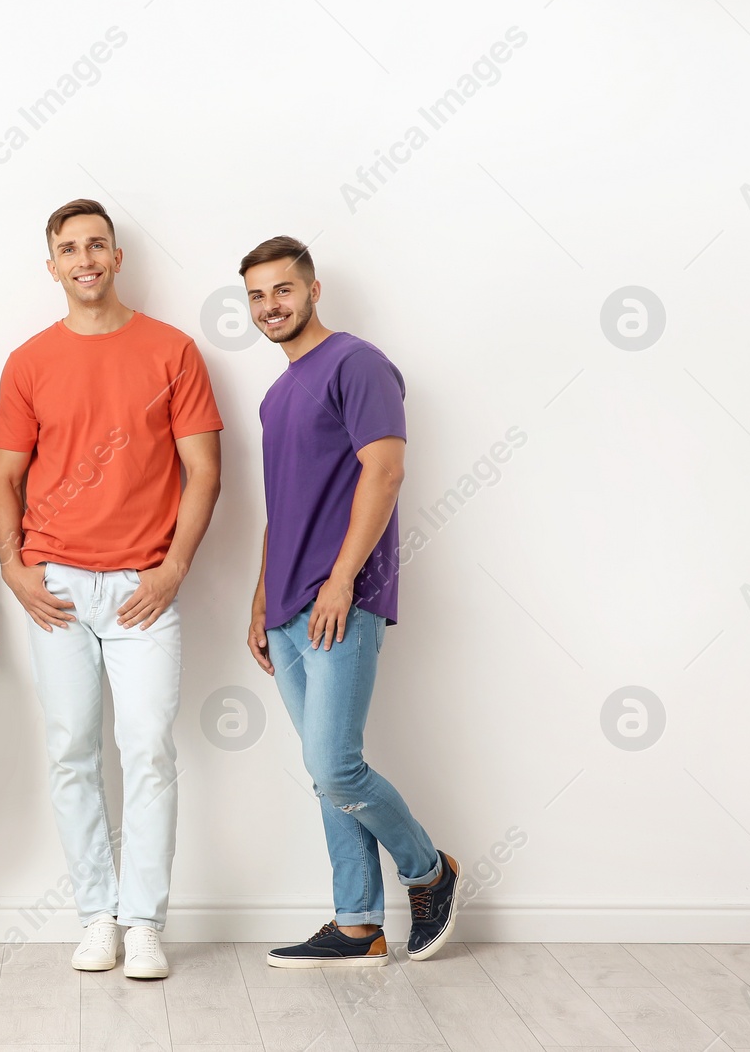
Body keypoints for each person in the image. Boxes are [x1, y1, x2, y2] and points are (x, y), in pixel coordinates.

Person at [0, 199, 222, 979]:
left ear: (117, 257)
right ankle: (97, 915)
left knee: (148, 749)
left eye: (96, 245)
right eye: (67, 248)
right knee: (71, 752)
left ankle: (144, 920)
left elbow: (204, 470)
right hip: (53, 587)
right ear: (50, 265)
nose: (83, 258)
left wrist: (175, 566)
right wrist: (14, 568)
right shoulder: (28, 361)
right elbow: (3, 478)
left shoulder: (173, 350)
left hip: (140, 591)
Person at [239, 235, 458, 968]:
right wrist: (259, 598)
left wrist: (341, 580)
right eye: (257, 296)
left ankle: (429, 872)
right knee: (324, 771)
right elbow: (283, 508)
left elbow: (386, 472)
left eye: (283, 290)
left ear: (312, 289)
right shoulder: (275, 394)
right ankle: (358, 922)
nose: (271, 305)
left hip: (343, 598)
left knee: (337, 766)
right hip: (288, 607)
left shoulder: (357, 363)